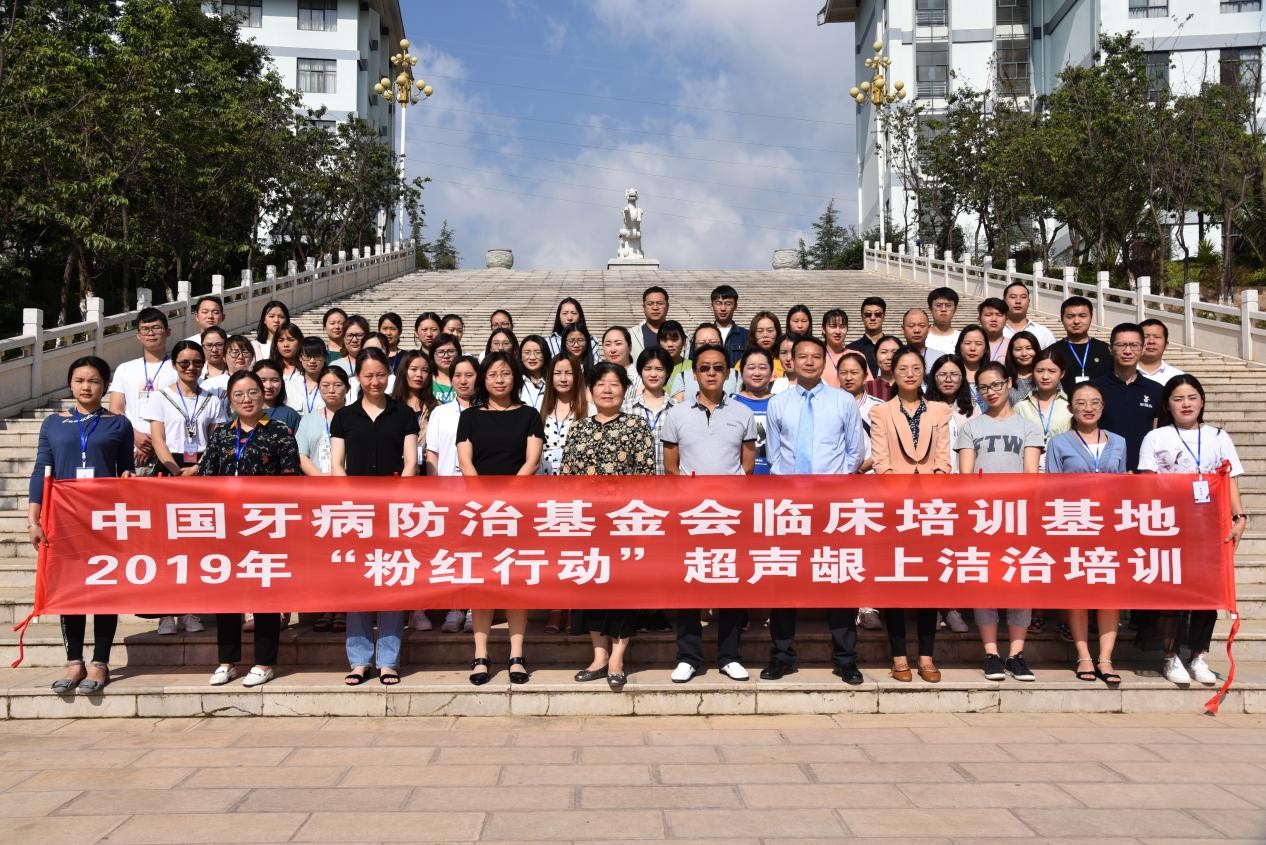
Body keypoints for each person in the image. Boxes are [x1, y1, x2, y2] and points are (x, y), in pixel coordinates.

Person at [763, 335, 866, 684]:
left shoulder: (842, 401)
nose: (809, 361)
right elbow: (774, 453)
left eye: (816, 356)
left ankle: (845, 658)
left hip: (831, 505)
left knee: (839, 578)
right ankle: (781, 656)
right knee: (785, 579)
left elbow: (855, 452)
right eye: (802, 356)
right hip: (790, 504)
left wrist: (832, 485)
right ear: (790, 361)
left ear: (825, 362)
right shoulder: (778, 403)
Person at [31, 357, 135, 694]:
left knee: (105, 590)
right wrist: (34, 519)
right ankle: (74, 661)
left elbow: (126, 468)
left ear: (105, 385)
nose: (86, 387)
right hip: (65, 519)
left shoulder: (118, 424)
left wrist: (128, 480)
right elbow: (41, 470)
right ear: (70, 384)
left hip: (106, 519)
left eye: (93, 381)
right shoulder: (53, 423)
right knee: (71, 590)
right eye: (79, 380)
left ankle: (100, 662)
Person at [1137, 374, 1246, 686]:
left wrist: (1239, 517)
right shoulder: (1156, 437)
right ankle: (1170, 656)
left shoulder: (1218, 436)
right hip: (1170, 524)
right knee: (1172, 591)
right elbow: (1147, 483)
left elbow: (1229, 478)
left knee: (1206, 594)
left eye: (1191, 397)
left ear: (1202, 401)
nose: (1185, 404)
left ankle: (1197, 655)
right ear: (1167, 405)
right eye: (1178, 399)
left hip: (1210, 525)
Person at [661, 343, 757, 683]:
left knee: (730, 582)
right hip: (691, 513)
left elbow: (747, 466)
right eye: (705, 368)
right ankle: (688, 656)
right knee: (690, 582)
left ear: (728, 373)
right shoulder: (677, 414)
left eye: (718, 367)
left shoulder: (742, 413)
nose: (712, 373)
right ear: (694, 373)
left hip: (730, 514)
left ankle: (730, 656)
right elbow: (670, 467)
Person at [199, 370, 301, 688]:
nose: (247, 399)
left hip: (265, 524)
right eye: (239, 394)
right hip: (227, 527)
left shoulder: (279, 431)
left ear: (263, 395)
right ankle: (227, 661)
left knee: (265, 593)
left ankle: (264, 662)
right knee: (227, 595)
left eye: (253, 392)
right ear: (230, 400)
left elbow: (291, 477)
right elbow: (206, 477)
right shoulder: (221, 434)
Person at [563, 362, 655, 689]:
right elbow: (566, 476)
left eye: (614, 384)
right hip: (587, 524)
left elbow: (647, 476)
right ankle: (599, 656)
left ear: (624, 390)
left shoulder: (636, 426)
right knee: (591, 586)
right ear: (590, 390)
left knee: (623, 589)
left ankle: (618, 657)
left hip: (623, 523)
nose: (607, 390)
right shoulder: (579, 429)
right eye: (600, 384)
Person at [331, 348, 419, 686]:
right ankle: (359, 660)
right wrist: (352, 501)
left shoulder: (403, 413)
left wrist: (396, 500)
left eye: (380, 374)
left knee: (391, 581)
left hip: (394, 511)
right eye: (368, 375)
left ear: (389, 375)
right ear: (358, 377)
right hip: (356, 512)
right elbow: (337, 465)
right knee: (360, 584)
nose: (375, 381)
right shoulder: (345, 416)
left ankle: (388, 661)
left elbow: (410, 463)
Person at [456, 352, 545, 686]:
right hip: (479, 511)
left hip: (517, 511)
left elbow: (531, 462)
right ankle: (480, 655)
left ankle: (516, 655)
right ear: (483, 379)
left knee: (514, 583)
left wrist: (506, 500)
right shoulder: (470, 416)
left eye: (505, 373)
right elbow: (465, 462)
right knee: (482, 585)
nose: (499, 379)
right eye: (492, 374)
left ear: (515, 377)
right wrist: (486, 501)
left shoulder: (529, 415)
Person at [957, 362, 1044, 682]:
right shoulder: (971, 427)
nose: (990, 392)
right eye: (983, 387)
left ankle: (1016, 655)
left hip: (1018, 516)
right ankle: (991, 654)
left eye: (995, 385)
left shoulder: (1028, 427)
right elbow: (965, 477)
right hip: (982, 518)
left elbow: (1031, 475)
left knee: (1020, 584)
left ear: (1008, 383)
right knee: (986, 584)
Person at [871, 346, 953, 683]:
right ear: (893, 373)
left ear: (924, 373)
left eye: (916, 368)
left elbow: (943, 460)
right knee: (895, 581)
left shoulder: (939, 410)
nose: (909, 373)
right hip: (895, 507)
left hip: (931, 507)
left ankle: (927, 656)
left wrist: (931, 491)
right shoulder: (881, 412)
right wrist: (903, 496)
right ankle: (899, 656)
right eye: (903, 368)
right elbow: (881, 462)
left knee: (928, 583)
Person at [1046, 382, 1128, 687]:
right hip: (1074, 527)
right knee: (1078, 592)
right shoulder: (1059, 443)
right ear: (1071, 408)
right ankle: (1083, 655)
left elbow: (1124, 486)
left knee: (1109, 593)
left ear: (1103, 407)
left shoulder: (1119, 441)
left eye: (1094, 402)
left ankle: (1105, 657)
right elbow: (1052, 487)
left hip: (1110, 528)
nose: (1088, 408)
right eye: (1081, 402)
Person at [423, 354, 480, 637]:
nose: (463, 380)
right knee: (453, 554)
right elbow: (432, 454)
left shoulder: (487, 412)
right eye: (457, 375)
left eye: (469, 375)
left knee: (477, 553)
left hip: (479, 494)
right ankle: (455, 608)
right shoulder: (440, 413)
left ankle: (474, 609)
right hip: (448, 494)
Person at [622, 346, 677, 634]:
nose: (653, 374)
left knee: (660, 555)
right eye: (648, 369)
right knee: (635, 553)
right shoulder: (626, 407)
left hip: (667, 492)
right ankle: (635, 608)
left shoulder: (678, 409)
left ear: (667, 373)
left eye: (659, 369)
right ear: (640, 372)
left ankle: (656, 609)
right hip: (634, 494)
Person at [925, 353, 974, 634]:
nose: (948, 379)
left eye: (954, 374)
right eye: (942, 374)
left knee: (956, 551)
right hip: (931, 491)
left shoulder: (972, 410)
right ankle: (932, 608)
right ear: (933, 378)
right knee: (933, 551)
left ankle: (953, 607)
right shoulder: (924, 407)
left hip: (962, 491)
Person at [107, 306, 177, 470]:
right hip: (131, 450)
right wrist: (135, 436)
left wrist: (156, 443)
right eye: (145, 329)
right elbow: (116, 410)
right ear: (138, 335)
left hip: (169, 450)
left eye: (156, 328)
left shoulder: (179, 368)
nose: (150, 333)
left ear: (168, 332)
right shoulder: (125, 369)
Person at [146, 340, 225, 479]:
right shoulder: (159, 397)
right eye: (184, 363)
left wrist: (197, 468)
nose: (191, 367)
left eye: (197, 362)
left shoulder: (212, 400)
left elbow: (214, 441)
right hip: (169, 464)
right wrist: (177, 472)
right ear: (174, 364)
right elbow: (158, 440)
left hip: (202, 464)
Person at [1092, 322, 1161, 472]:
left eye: (1134, 345)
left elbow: (1158, 434)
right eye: (1121, 345)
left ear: (1143, 349)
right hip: (1103, 470)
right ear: (1110, 349)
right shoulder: (1094, 389)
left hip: (1143, 472)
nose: (1127, 351)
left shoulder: (1156, 390)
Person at [1014, 348, 1071, 469]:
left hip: (1062, 471)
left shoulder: (1070, 406)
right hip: (1028, 471)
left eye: (1052, 371)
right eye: (1039, 371)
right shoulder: (1021, 407)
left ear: (1062, 374)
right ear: (1032, 372)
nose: (1045, 376)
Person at [836, 350, 882, 475]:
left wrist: (859, 469)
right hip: (836, 474)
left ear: (865, 376)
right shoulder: (827, 406)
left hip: (870, 474)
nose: (848, 378)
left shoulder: (879, 407)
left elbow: (887, 446)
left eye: (854, 372)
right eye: (843, 373)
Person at [731, 348, 775, 475]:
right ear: (741, 371)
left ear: (771, 372)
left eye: (762, 368)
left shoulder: (779, 403)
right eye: (751, 368)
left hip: (773, 478)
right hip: (739, 477)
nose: (757, 373)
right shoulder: (731, 402)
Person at [1058, 295, 1113, 395]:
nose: (1076, 321)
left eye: (1082, 316)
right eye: (1070, 316)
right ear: (1062, 319)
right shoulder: (1053, 352)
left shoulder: (1106, 350)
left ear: (1091, 318)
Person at [674, 324, 741, 399]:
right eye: (701, 343)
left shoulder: (736, 375)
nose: (707, 346)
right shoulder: (682, 377)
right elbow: (678, 404)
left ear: (722, 344)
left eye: (713, 342)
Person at [251, 360, 300, 435]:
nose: (268, 386)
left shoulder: (290, 415)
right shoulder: (243, 412)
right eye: (262, 380)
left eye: (274, 380)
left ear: (281, 382)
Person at [1002, 281, 1057, 348]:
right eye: (1013, 297)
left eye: (1023, 297)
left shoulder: (1043, 333)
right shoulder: (995, 331)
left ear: (1028, 302)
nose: (1018, 301)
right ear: (1004, 302)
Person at [546, 297, 600, 362]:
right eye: (565, 313)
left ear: (580, 316)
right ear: (559, 317)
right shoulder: (548, 342)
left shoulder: (592, 341)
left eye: (574, 313)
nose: (569, 318)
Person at [1138, 318, 1185, 386]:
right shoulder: (1123, 374)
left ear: (1166, 344)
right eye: (1145, 337)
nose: (1151, 341)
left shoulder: (1178, 377)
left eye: (1157, 337)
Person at [847, 296, 887, 377]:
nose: (873, 318)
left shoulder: (894, 347)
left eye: (878, 314)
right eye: (868, 314)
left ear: (883, 316)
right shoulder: (851, 349)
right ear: (862, 317)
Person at [710, 284, 748, 366]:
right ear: (712, 306)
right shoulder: (703, 335)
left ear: (735, 306)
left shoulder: (746, 336)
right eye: (718, 303)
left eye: (728, 304)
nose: (723, 308)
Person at [954, 325, 989, 409]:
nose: (972, 348)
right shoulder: (951, 374)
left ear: (985, 348)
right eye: (967, 343)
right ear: (959, 346)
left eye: (978, 344)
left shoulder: (993, 373)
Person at [629, 285, 669, 360]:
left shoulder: (682, 335)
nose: (655, 308)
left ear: (667, 307)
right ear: (643, 307)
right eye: (650, 304)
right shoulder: (631, 335)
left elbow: (687, 360)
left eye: (660, 303)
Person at [291, 337, 328, 416]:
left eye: (317, 356)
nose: (312, 361)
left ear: (324, 357)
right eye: (307, 356)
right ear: (300, 357)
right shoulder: (290, 384)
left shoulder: (332, 384)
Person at [271, 323, 306, 406]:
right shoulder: (270, 369)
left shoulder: (308, 368)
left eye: (291, 339)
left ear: (300, 342)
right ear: (276, 345)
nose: (286, 345)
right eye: (281, 340)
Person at [743, 311, 784, 378]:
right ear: (753, 334)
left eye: (770, 330)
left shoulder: (786, 362)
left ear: (777, 332)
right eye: (760, 331)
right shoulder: (744, 362)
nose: (765, 335)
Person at [1003, 330, 1040, 405]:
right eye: (1018, 349)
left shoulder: (1046, 375)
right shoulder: (1003, 377)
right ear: (1011, 352)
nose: (1024, 354)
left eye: (1029, 348)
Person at [925, 287, 961, 358]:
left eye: (948, 306)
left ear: (955, 309)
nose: (943, 309)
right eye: (938, 306)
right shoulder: (922, 337)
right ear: (930, 309)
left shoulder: (962, 338)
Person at [864, 335, 901, 402]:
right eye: (884, 352)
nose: (889, 357)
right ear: (875, 356)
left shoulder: (909, 386)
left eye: (895, 352)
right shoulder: (866, 388)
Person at [657, 320, 689, 395]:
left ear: (683, 341)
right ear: (659, 342)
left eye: (674, 340)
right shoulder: (653, 367)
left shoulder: (692, 367)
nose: (670, 344)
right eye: (665, 340)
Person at [518, 334, 550, 409]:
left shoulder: (553, 380)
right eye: (527, 352)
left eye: (538, 352)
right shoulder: (515, 381)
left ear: (545, 354)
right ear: (520, 356)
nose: (532, 357)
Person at [429, 334, 462, 404]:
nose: (446, 356)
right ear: (432, 355)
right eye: (440, 352)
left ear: (458, 353)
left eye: (451, 351)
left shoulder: (465, 381)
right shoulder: (427, 380)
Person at [821, 309, 849, 388]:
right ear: (823, 329)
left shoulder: (857, 356)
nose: (838, 332)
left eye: (842, 327)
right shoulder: (816, 357)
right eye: (833, 326)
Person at [977, 297, 1010, 363]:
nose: (994, 319)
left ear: (1006, 319)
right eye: (988, 315)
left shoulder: (1012, 345)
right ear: (979, 319)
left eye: (999, 315)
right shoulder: (970, 346)